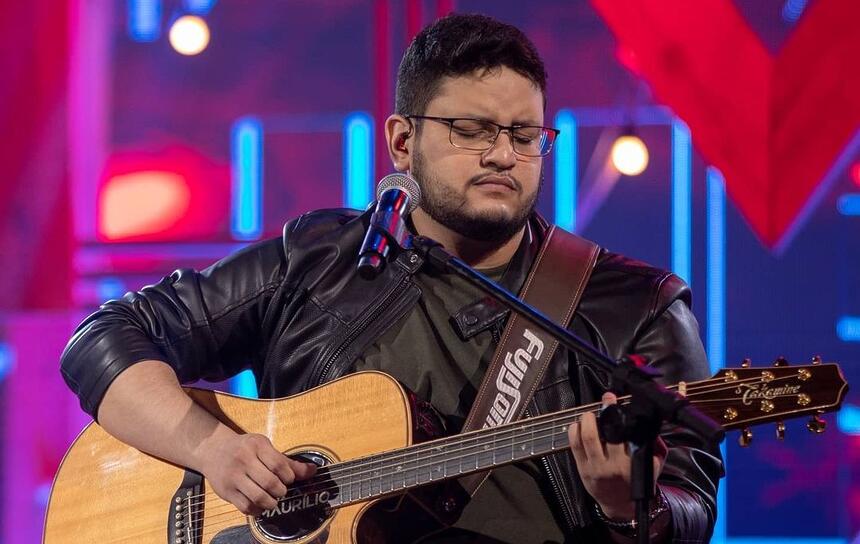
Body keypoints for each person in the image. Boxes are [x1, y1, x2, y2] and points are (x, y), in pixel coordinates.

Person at [61, 13, 721, 543]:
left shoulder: (636, 305)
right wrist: (213, 452)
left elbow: (690, 505)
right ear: (402, 142)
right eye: (472, 130)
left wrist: (627, 508)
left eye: (526, 135)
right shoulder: (319, 261)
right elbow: (103, 340)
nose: (502, 154)